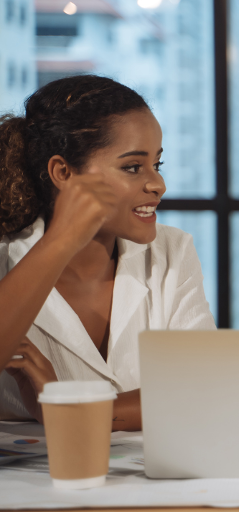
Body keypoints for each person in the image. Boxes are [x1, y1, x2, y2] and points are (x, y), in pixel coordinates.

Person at [0, 75, 215, 431]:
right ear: (63, 172)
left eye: (157, 165)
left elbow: (201, 389)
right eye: (133, 167)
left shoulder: (171, 251)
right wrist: (61, 240)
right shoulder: (6, 255)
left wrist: (70, 411)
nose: (158, 185)